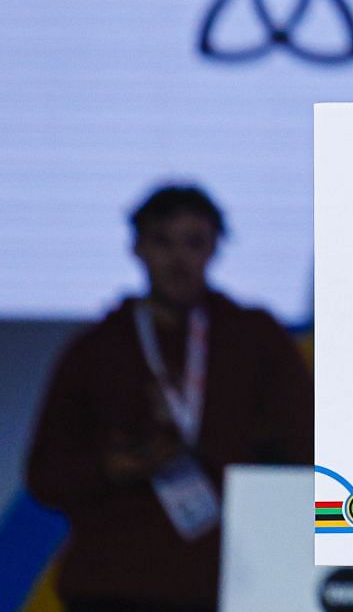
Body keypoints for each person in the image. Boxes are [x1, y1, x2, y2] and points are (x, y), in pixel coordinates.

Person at [25, 183, 313, 612]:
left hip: (233, 581)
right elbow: (44, 474)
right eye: (163, 241)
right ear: (137, 247)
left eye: (194, 242)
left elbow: (306, 449)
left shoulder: (255, 340)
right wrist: (112, 466)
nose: (179, 260)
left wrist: (215, 453)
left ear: (215, 247)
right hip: (111, 585)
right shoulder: (96, 349)